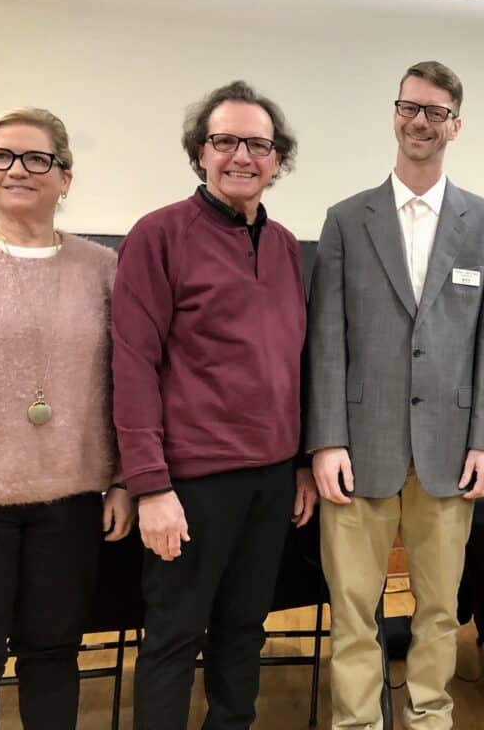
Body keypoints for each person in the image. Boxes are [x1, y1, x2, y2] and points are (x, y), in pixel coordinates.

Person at [306, 60, 484, 729]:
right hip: (358, 449)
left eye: (435, 111)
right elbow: (327, 341)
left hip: (451, 452)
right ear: (395, 114)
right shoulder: (346, 220)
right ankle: (357, 722)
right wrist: (326, 440)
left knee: (438, 608)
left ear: (456, 124)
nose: (420, 121)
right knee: (354, 609)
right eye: (409, 107)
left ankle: (430, 715)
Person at [111, 81, 315, 730]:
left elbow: (296, 361)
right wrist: (150, 487)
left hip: (273, 477)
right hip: (192, 481)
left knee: (244, 631)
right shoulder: (157, 235)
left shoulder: (285, 246)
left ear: (278, 158)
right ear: (200, 152)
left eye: (258, 144)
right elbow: (133, 364)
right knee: (174, 636)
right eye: (225, 141)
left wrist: (303, 464)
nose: (242, 156)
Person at [0, 107, 135, 730]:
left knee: (53, 653)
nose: (18, 170)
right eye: (1, 156)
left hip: (70, 498)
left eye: (37, 159)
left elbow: (125, 380)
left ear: (65, 178)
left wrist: (120, 477)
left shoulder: (102, 267)